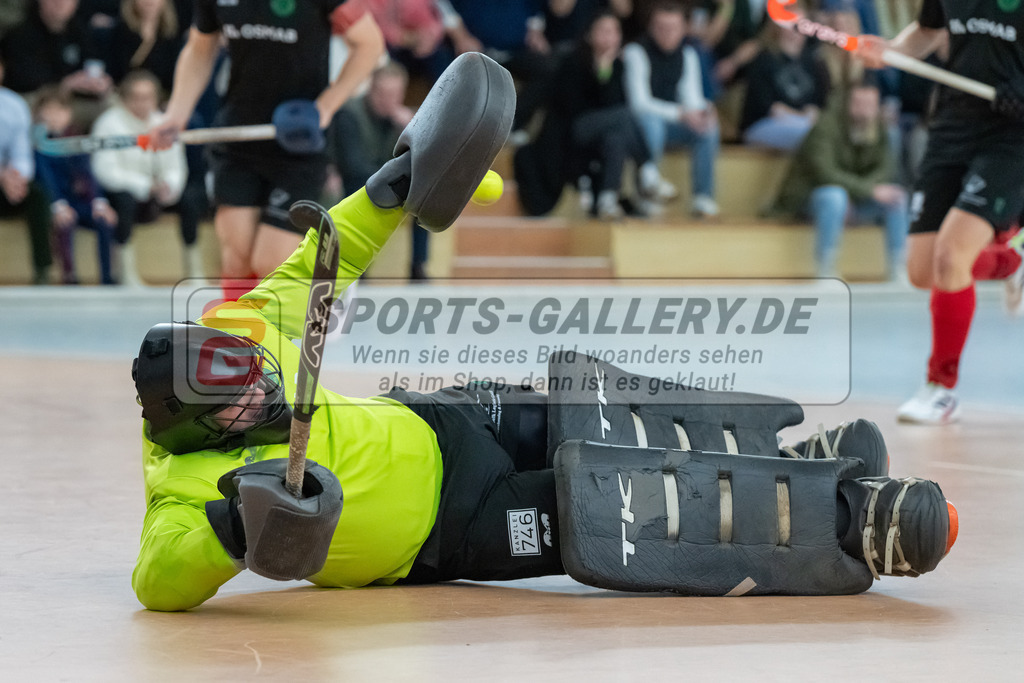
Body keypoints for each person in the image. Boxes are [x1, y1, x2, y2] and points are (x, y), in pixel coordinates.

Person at [130, 53, 955, 612]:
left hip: (447, 418)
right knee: (632, 506)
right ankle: (847, 517)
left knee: (612, 408)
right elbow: (157, 579)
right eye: (241, 397)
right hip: (457, 526)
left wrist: (397, 186)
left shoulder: (241, 337)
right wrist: (234, 528)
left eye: (249, 368)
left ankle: (782, 462)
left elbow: (324, 256)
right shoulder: (178, 488)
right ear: (202, 426)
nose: (260, 382)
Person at [147, 0, 385, 302]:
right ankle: (241, 343)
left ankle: (327, 285)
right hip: (238, 136)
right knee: (237, 260)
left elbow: (370, 45)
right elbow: (200, 48)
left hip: (298, 144)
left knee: (270, 262)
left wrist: (325, 106)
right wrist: (175, 116)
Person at [857, 0, 1024, 424]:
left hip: (1011, 135)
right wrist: (891, 50)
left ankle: (941, 389)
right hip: (952, 124)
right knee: (923, 270)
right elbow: (929, 30)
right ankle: (1012, 261)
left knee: (952, 256)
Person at [517, 11, 656, 220]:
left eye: (614, 32)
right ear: (590, 35)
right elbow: (574, 106)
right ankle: (647, 169)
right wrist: (600, 76)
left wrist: (606, 73)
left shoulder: (618, 66)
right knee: (626, 115)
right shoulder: (573, 61)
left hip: (603, 131)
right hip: (574, 129)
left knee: (615, 139)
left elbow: (612, 106)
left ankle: (608, 199)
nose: (609, 37)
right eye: (603, 31)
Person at [771, 79, 908, 280]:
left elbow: (886, 169)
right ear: (847, 103)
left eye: (870, 105)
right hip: (810, 198)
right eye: (859, 103)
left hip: (854, 197)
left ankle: (899, 269)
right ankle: (826, 268)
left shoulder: (879, 128)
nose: (864, 110)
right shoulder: (825, 126)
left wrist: (863, 192)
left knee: (897, 197)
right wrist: (868, 191)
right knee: (835, 196)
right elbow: (824, 173)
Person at [91, 70, 195, 284]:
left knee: (191, 199)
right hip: (125, 190)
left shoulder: (165, 123)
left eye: (147, 97)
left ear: (156, 98)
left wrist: (169, 185)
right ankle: (127, 273)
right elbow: (105, 170)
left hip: (159, 191)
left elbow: (176, 166)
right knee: (124, 201)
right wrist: (146, 186)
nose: (142, 103)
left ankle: (194, 270)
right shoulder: (108, 124)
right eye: (136, 97)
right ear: (124, 98)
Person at [329, 62, 430, 280]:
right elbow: (352, 166)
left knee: (427, 197)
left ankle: (418, 268)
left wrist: (414, 131)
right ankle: (358, 270)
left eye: (393, 94)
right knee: (358, 189)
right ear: (370, 89)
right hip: (358, 184)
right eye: (381, 93)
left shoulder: (407, 121)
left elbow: (426, 162)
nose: (387, 100)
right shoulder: (350, 113)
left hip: (389, 184)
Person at [622, 1, 721, 217]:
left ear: (684, 29)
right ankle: (646, 193)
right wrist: (682, 114)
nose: (667, 34)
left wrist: (703, 111)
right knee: (651, 123)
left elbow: (691, 96)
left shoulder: (687, 55)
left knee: (708, 127)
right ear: (651, 27)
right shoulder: (635, 52)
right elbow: (639, 104)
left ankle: (703, 197)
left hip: (673, 121)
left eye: (673, 28)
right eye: (661, 28)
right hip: (637, 125)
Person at [32, 86, 116, 284]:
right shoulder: (40, 146)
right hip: (58, 203)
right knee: (64, 222)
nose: (54, 116)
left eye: (59, 110)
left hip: (81, 201)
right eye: (48, 110)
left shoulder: (78, 141)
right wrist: (58, 206)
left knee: (104, 220)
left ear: (69, 113)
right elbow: (45, 180)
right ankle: (69, 276)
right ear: (39, 114)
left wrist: (99, 202)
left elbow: (89, 174)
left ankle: (107, 277)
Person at [0, 0, 113, 127]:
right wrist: (65, 84)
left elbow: (93, 61)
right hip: (34, 97)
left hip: (74, 97)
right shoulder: (19, 35)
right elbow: (23, 80)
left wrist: (99, 81)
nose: (60, 4)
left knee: (111, 105)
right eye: (54, 0)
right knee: (52, 114)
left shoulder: (79, 30)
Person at [738, 18, 830, 152]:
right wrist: (804, 117)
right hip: (761, 125)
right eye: (790, 25)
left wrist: (809, 116)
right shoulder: (764, 59)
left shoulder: (813, 65)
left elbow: (816, 107)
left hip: (803, 125)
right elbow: (774, 110)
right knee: (812, 137)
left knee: (825, 135)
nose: (795, 32)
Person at [0, 55, 53, 285]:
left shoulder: (14, 105)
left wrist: (17, 178)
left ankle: (43, 270)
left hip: (7, 184)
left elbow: (22, 155)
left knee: (38, 196)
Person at [105, 0, 184, 93]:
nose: (149, 2)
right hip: (124, 95)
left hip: (159, 98)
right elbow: (113, 69)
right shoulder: (120, 31)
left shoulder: (171, 36)